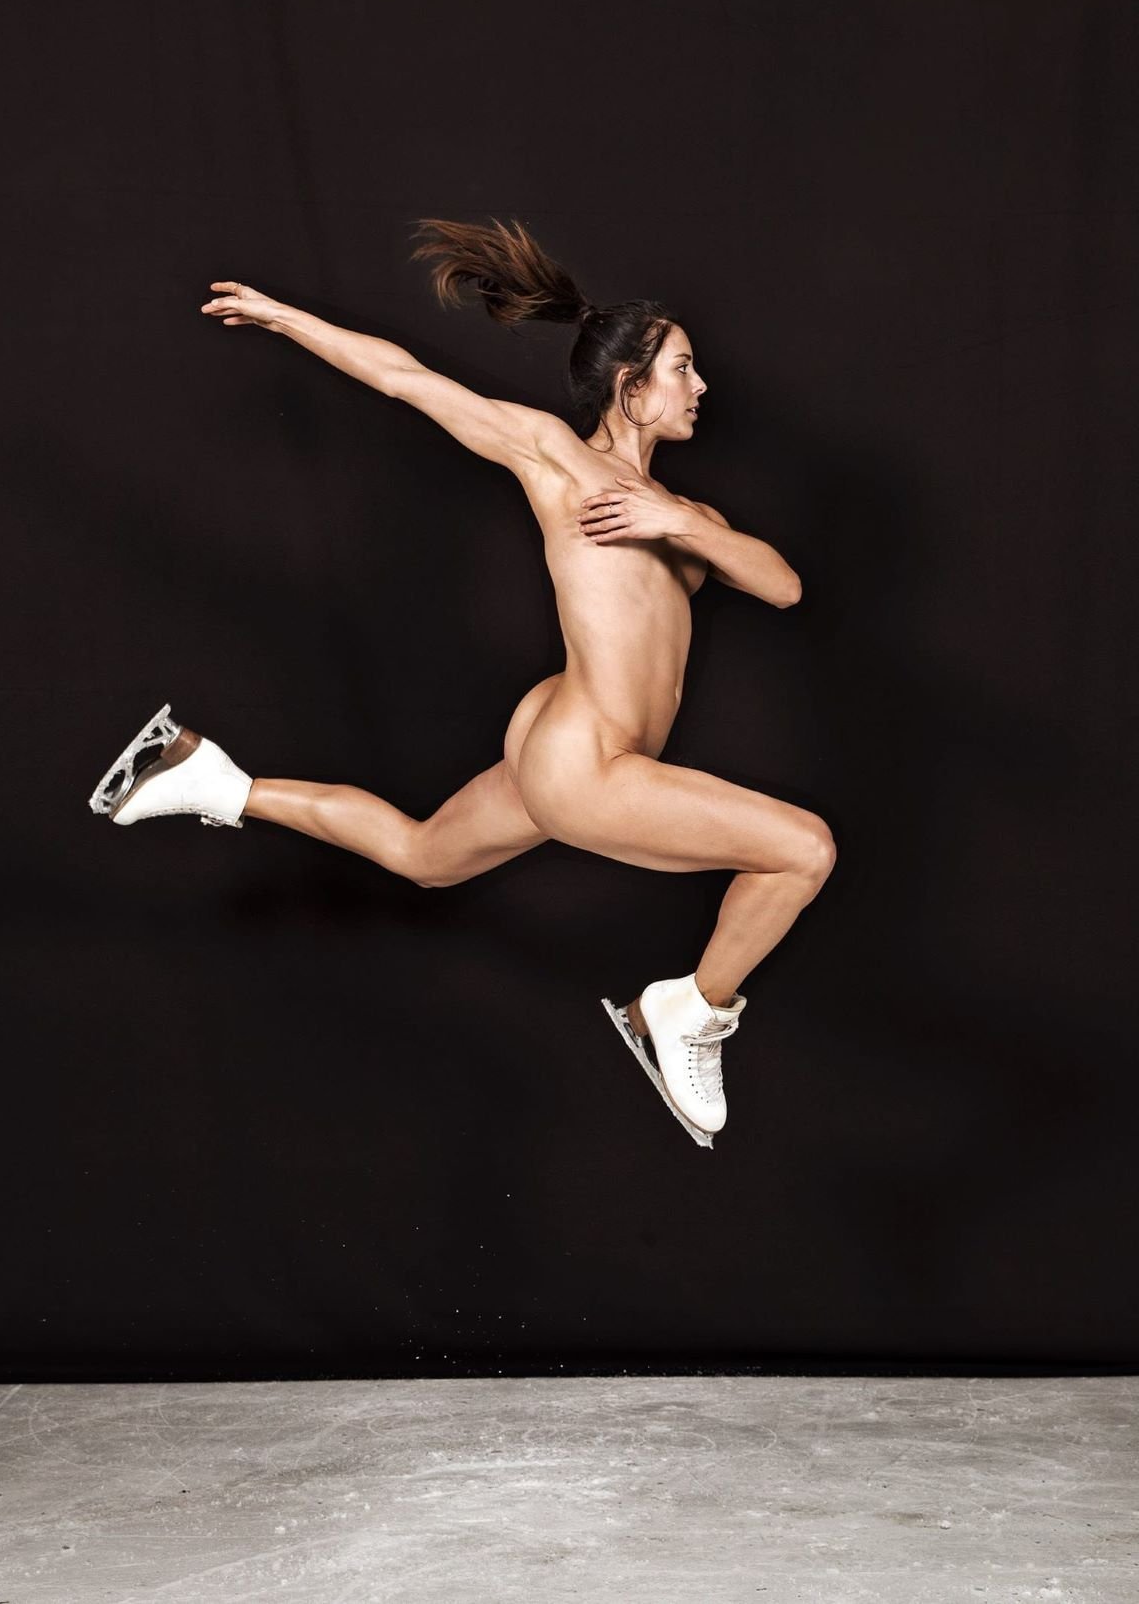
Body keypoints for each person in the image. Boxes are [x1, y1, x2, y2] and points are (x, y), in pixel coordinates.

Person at [88, 217, 836, 1145]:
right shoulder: (559, 460)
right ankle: (687, 1011)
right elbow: (409, 380)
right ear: (630, 385)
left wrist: (673, 522)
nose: (701, 385)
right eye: (682, 368)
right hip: (588, 758)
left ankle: (211, 780)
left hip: (567, 745)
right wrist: (286, 318)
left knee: (423, 857)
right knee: (803, 850)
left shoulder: (691, 516)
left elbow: (784, 586)